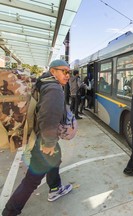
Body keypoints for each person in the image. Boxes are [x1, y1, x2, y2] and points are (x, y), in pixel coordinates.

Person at [2, 59, 73, 216]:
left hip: (39, 136)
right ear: (53, 71)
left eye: (70, 72)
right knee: (32, 180)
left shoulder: (42, 82)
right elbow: (48, 118)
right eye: (64, 71)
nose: (68, 75)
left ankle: (55, 188)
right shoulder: (54, 89)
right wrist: (48, 143)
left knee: (56, 159)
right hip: (44, 140)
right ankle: (10, 211)